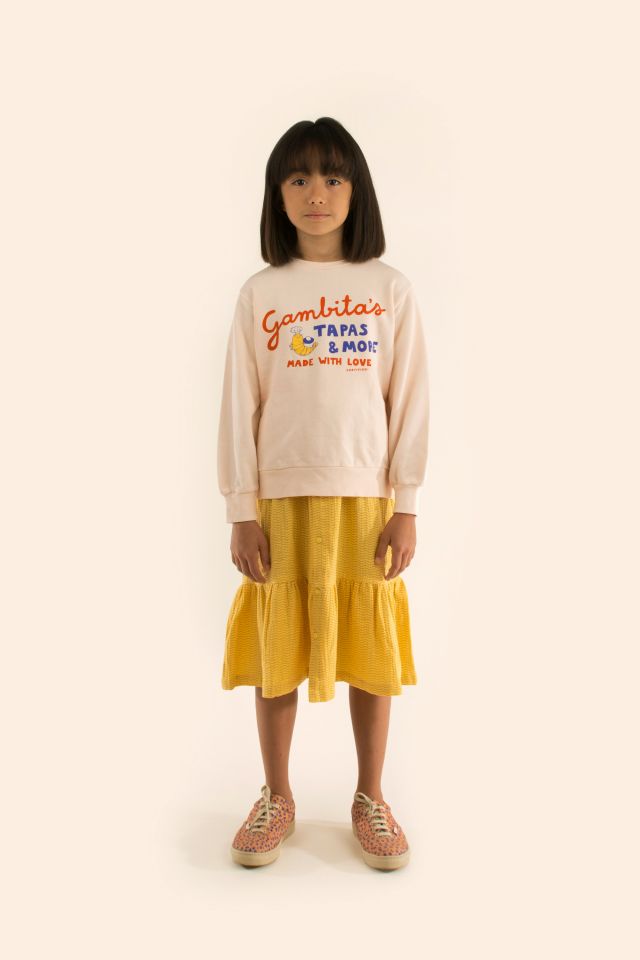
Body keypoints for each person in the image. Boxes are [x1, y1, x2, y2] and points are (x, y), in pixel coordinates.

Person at [216, 117, 430, 871]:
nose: (317, 193)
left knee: (370, 645)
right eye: (300, 178)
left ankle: (370, 796)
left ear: (356, 190)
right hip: (280, 500)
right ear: (277, 194)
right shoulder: (261, 293)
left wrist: (406, 502)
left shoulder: (387, 289)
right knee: (279, 643)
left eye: (333, 177)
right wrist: (242, 509)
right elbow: (239, 404)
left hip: (366, 500)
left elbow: (409, 399)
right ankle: (277, 794)